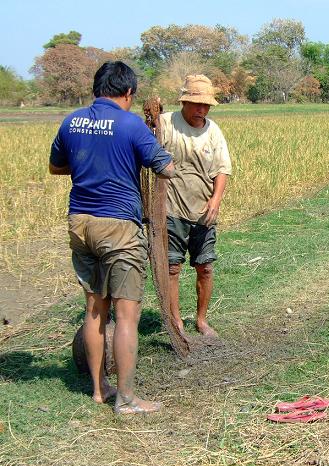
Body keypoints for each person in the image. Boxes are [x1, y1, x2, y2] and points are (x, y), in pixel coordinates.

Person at [49, 61, 175, 415]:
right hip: (118, 225)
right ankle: (127, 398)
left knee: (94, 309)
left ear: (96, 88)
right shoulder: (131, 124)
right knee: (127, 312)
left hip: (81, 223)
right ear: (129, 92)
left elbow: (56, 166)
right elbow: (164, 168)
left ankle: (98, 390)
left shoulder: (71, 121)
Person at [159, 74, 231, 337]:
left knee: (205, 266)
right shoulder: (165, 124)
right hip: (170, 209)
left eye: (206, 105)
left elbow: (222, 169)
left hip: (202, 211)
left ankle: (201, 320)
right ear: (184, 102)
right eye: (197, 104)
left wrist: (216, 199)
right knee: (172, 267)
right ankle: (176, 320)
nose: (202, 110)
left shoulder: (213, 131)